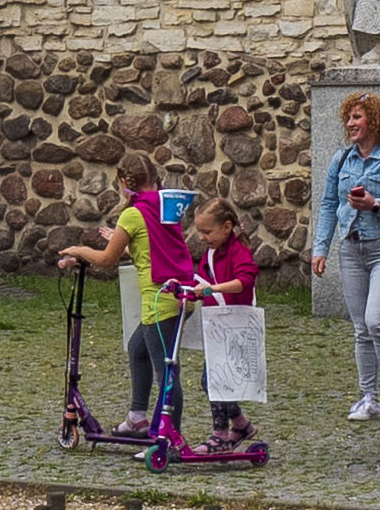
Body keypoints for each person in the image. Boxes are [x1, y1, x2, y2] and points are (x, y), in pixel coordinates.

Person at [310, 90, 380, 423]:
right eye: (348, 118)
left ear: (374, 120)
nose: (350, 123)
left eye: (357, 117)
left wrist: (377, 205)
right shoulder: (341, 160)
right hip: (351, 248)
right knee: (361, 329)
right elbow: (329, 204)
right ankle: (369, 397)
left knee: (377, 321)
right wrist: (320, 248)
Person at [56, 148, 182, 427]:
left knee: (167, 374)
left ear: (125, 183)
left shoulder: (134, 214)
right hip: (178, 290)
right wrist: (126, 244)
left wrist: (80, 249)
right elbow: (154, 249)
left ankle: (170, 438)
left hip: (159, 298)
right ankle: (137, 418)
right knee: (137, 348)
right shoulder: (165, 205)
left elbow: (106, 260)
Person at [177, 195, 266, 451]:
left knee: (216, 379)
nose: (203, 237)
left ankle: (221, 434)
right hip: (218, 325)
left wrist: (211, 289)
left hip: (235, 324)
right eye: (200, 232)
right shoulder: (211, 253)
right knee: (212, 379)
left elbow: (245, 280)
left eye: (208, 231)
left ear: (227, 227)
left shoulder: (239, 251)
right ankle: (240, 424)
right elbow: (202, 279)